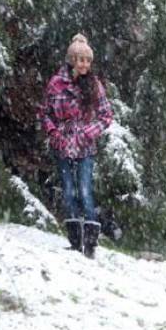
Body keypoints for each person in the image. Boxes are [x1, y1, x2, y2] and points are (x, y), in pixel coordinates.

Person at [39, 34, 114, 258]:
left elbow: (106, 115)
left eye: (88, 61)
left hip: (85, 147)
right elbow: (44, 113)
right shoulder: (55, 84)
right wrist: (54, 133)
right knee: (68, 192)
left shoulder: (94, 84)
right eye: (81, 60)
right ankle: (75, 240)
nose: (85, 65)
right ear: (72, 60)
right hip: (62, 145)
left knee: (84, 190)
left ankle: (90, 243)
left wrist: (87, 133)